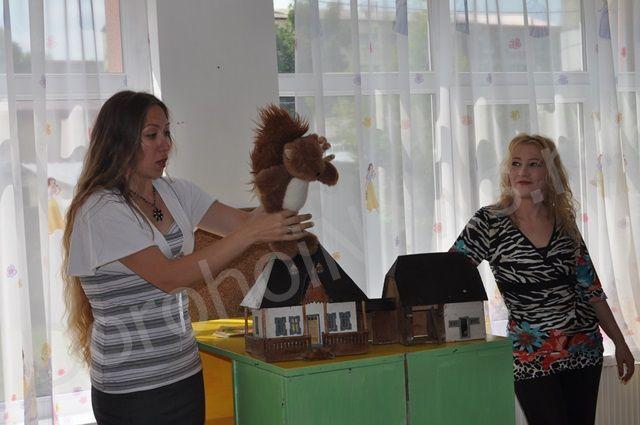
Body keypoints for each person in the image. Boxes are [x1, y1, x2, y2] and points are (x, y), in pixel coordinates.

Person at [61, 90, 314, 425]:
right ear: (118, 141)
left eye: (167, 132)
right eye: (151, 135)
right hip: (131, 388)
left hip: (183, 374)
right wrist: (253, 233)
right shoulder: (101, 209)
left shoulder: (176, 192)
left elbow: (247, 223)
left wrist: (296, 172)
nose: (165, 144)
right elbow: (169, 277)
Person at [450, 134, 635, 425]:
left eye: (534, 164)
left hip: (582, 347)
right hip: (530, 353)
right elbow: (449, 275)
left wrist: (621, 343)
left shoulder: (563, 222)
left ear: (549, 173)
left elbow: (592, 291)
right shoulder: (488, 222)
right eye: (516, 163)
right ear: (507, 171)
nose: (523, 172)